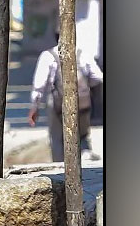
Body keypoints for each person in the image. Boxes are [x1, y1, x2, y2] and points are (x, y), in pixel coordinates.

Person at [28, 33, 104, 163]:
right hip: (83, 102)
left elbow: (39, 85)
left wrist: (35, 106)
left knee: (57, 138)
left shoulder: (48, 56)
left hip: (58, 104)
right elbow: (98, 77)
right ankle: (86, 166)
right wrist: (87, 88)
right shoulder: (82, 54)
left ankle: (60, 168)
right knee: (83, 136)